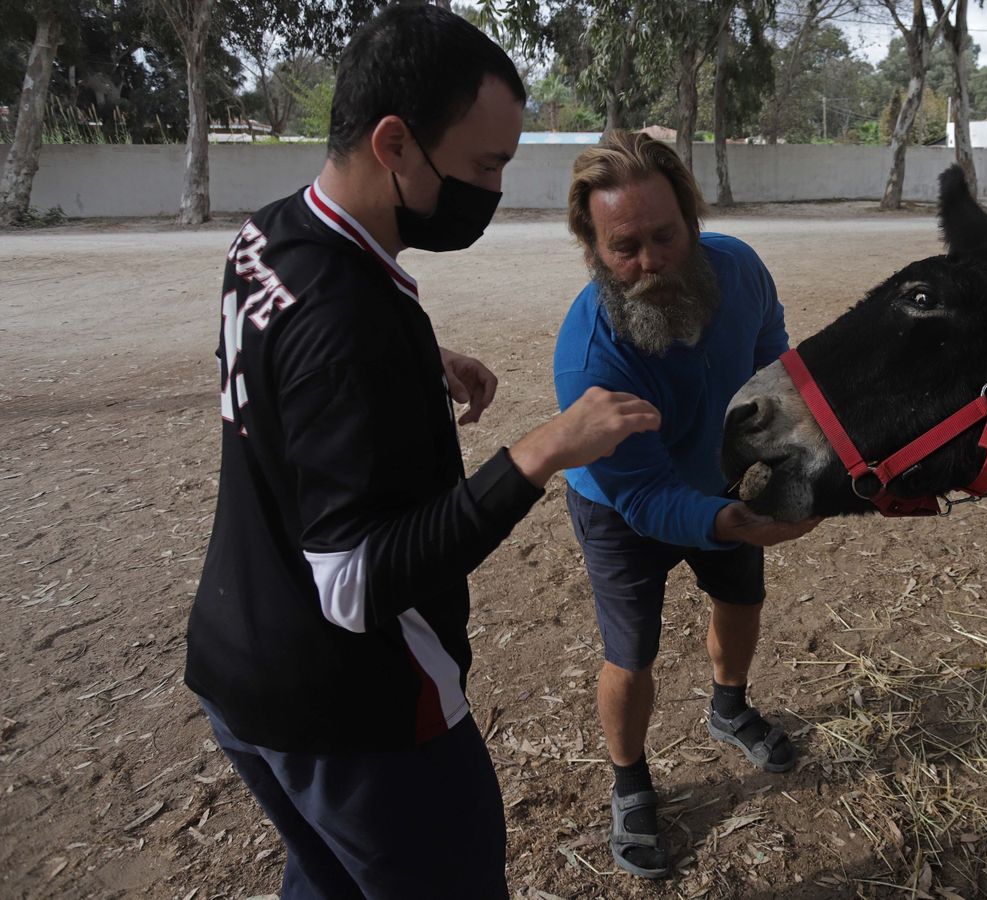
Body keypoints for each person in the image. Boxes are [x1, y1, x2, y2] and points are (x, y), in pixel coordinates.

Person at [183, 8, 660, 898]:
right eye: (485, 166)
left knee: (327, 884)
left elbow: (277, 351)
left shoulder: (273, 232)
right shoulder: (350, 323)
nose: (494, 190)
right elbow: (355, 584)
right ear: (395, 142)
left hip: (236, 670)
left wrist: (416, 361)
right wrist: (543, 450)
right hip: (353, 712)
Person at [554, 131, 819, 879]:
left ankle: (729, 706)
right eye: (624, 247)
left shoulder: (739, 269)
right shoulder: (590, 354)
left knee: (740, 597)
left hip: (719, 477)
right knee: (628, 652)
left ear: (693, 221)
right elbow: (638, 492)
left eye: (665, 236)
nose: (650, 262)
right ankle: (630, 779)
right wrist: (731, 523)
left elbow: (774, 356)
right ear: (594, 249)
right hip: (618, 506)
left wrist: (788, 460)